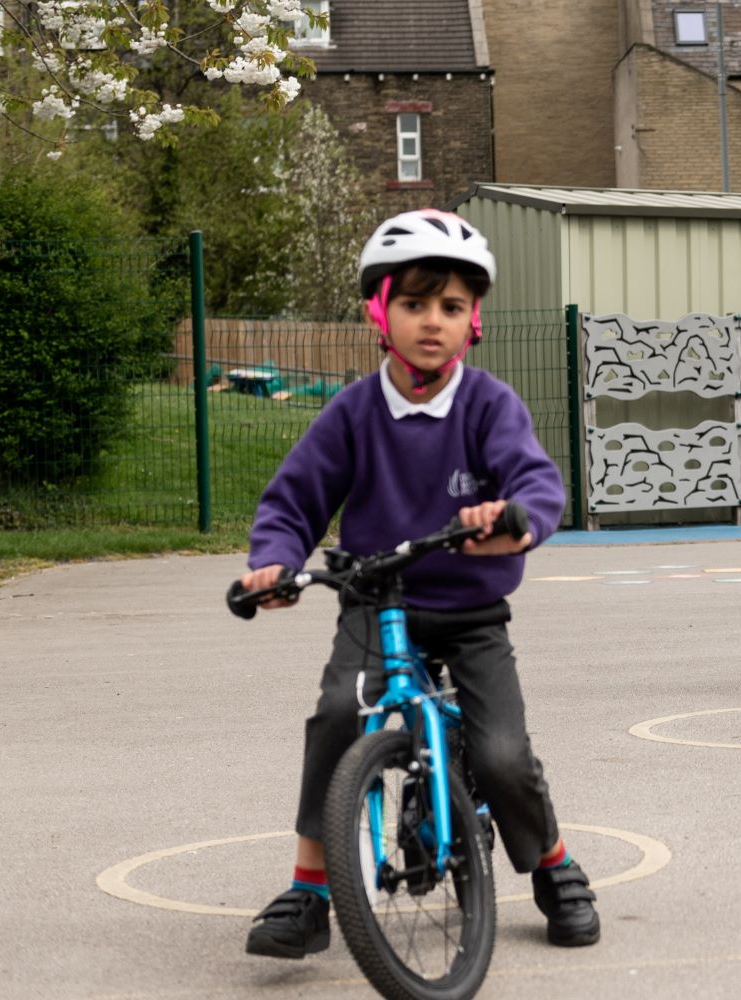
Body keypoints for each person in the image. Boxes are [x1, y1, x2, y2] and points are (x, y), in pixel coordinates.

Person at [236, 209, 600, 958]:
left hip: (471, 610)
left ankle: (553, 863)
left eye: (452, 307)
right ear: (380, 310)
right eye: (413, 303)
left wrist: (515, 517)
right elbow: (293, 501)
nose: (431, 322)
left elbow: (536, 481)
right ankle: (309, 890)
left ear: (474, 321)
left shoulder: (488, 406)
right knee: (339, 713)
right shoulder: (353, 413)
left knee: (501, 753)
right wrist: (273, 562)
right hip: (377, 604)